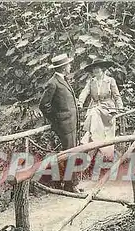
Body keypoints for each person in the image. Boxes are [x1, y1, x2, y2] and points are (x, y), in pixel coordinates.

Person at [39, 53, 82, 193]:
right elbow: (44, 105)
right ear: (64, 68)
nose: (70, 66)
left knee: (73, 153)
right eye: (68, 65)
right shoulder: (53, 83)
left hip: (71, 123)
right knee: (69, 154)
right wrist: (57, 120)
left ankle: (71, 183)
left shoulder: (63, 80)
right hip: (64, 125)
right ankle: (69, 185)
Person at [77, 58, 124, 161]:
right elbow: (84, 92)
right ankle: (93, 150)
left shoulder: (110, 80)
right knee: (94, 113)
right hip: (95, 108)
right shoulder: (91, 82)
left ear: (103, 70)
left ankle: (107, 156)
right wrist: (80, 103)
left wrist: (120, 106)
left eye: (98, 69)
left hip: (107, 109)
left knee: (107, 133)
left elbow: (116, 95)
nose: (96, 72)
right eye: (94, 70)